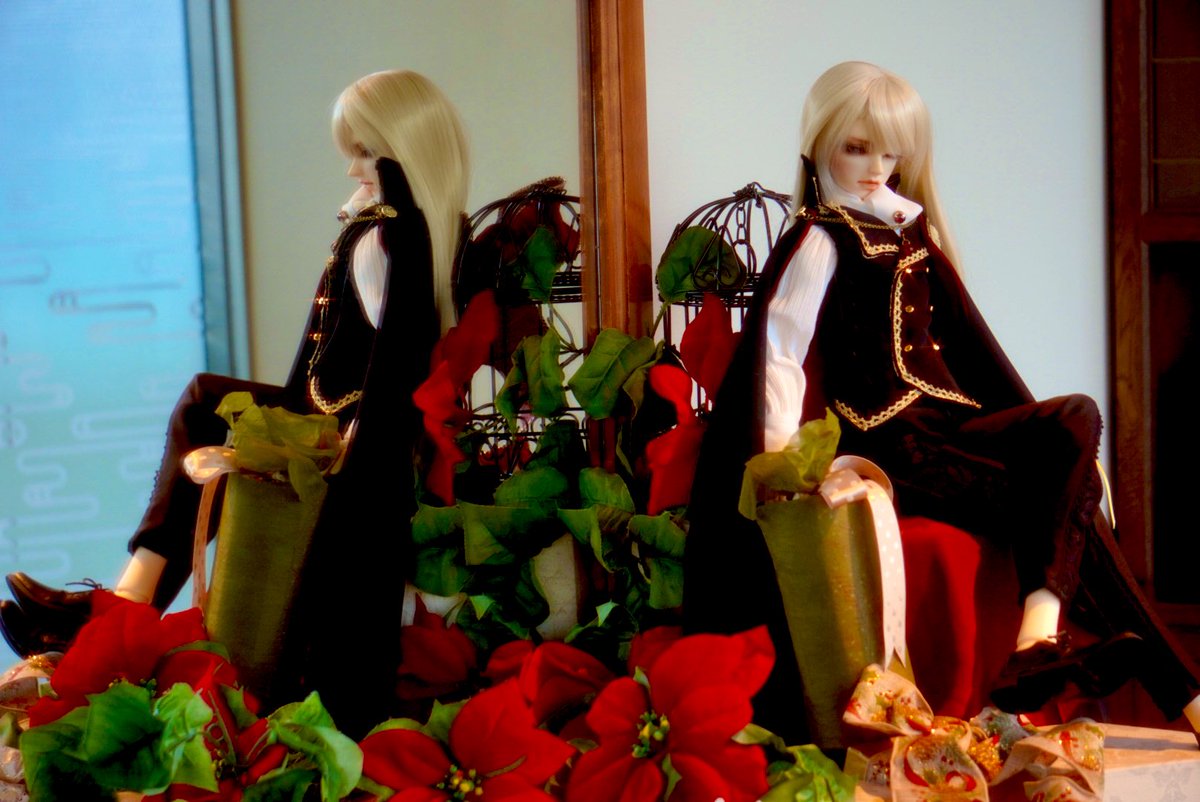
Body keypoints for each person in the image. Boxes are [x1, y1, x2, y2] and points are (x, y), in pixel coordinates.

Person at [683, 60, 1200, 743]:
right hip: (892, 445)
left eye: (891, 153)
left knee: (1075, 415)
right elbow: (780, 354)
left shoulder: (911, 236)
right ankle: (1182, 694)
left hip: (951, 428)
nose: (876, 168)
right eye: (857, 148)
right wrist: (784, 464)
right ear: (820, 142)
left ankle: (1039, 633)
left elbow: (973, 356)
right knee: (1071, 502)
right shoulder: (820, 239)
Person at [1, 69, 468, 733]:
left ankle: (123, 612)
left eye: (366, 153)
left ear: (400, 152)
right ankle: (125, 604)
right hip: (320, 411)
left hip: (338, 432)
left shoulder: (390, 238)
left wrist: (353, 462)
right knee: (205, 401)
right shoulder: (390, 232)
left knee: (205, 404)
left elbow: (394, 369)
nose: (352, 169)